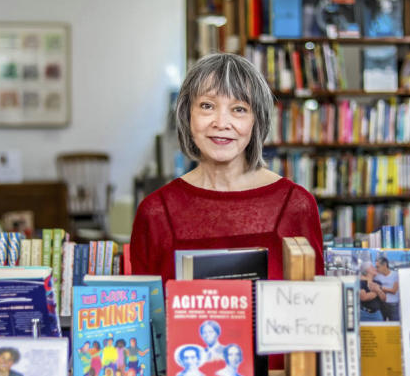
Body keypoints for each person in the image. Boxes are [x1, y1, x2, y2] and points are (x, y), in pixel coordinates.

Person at [130, 53, 324, 284]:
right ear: (187, 115)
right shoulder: (155, 212)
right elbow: (143, 314)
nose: (221, 123)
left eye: (239, 109)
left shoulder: (295, 205)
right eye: (207, 106)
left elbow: (316, 310)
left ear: (256, 120)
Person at [373, 255, 400, 321]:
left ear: (385, 265)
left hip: (393, 304)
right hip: (382, 304)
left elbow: (394, 291)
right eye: (376, 267)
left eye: (378, 267)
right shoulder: (377, 276)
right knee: (382, 324)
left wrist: (380, 288)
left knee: (394, 324)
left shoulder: (395, 275)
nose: (376, 269)